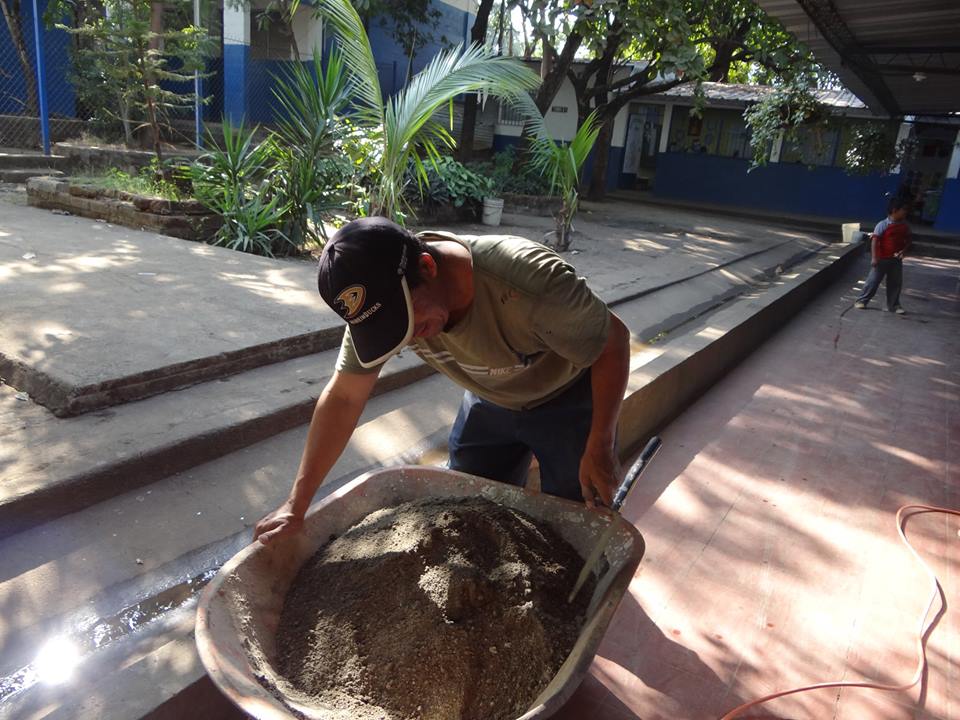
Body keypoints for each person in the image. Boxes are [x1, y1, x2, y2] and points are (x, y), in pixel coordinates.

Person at [254, 217, 631, 544]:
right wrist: (297, 503)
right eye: (392, 331)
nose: (409, 337)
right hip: (488, 399)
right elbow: (344, 398)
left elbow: (612, 342)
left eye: (409, 320)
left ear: (428, 267)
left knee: (575, 518)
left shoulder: (525, 280)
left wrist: (600, 440)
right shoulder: (381, 312)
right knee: (465, 512)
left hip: (565, 397)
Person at [854, 196, 912, 314]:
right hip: (881, 259)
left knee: (895, 283)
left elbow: (908, 240)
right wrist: (874, 257)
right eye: (904, 210)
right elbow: (875, 241)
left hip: (896, 260)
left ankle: (894, 306)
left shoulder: (905, 226)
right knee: (873, 281)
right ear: (895, 210)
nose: (906, 212)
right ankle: (862, 301)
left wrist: (904, 251)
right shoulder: (882, 224)